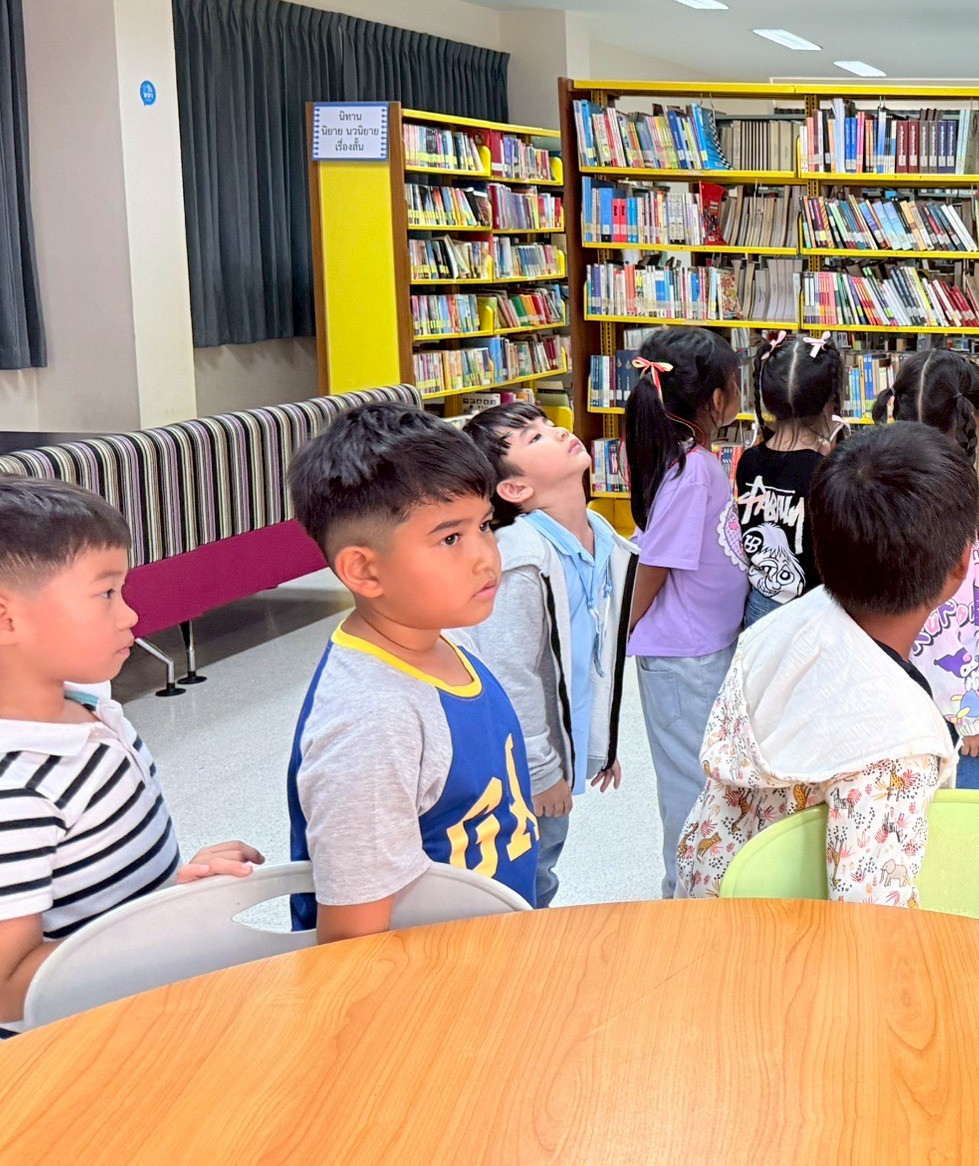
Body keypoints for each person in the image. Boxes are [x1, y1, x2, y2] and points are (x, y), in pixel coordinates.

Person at [0, 474, 261, 1052]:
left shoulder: (89, 712)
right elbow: (4, 991)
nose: (129, 615)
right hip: (56, 1066)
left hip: (128, 1028)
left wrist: (175, 892)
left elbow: (96, 906)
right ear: (3, 621)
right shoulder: (5, 799)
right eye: (106, 594)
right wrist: (165, 925)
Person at [673, 423, 979, 905]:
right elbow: (871, 914)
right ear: (961, 563)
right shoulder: (899, 744)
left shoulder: (773, 632)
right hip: (792, 944)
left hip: (711, 908)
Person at [284, 404, 538, 938]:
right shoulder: (372, 719)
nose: (486, 557)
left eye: (484, 525)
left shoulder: (443, 636)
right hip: (429, 981)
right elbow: (352, 944)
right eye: (450, 538)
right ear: (364, 570)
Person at [452, 401, 636, 909]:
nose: (558, 433)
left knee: (544, 858)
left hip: (554, 748)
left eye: (550, 426)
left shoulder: (601, 537)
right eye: (534, 437)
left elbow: (588, 655)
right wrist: (541, 768)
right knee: (526, 869)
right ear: (514, 489)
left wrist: (596, 742)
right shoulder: (520, 558)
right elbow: (513, 673)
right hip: (520, 760)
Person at [624, 327, 748, 896]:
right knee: (691, 787)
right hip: (683, 659)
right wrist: (623, 627)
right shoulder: (693, 470)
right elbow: (656, 563)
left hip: (700, 649)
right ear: (718, 399)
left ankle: (700, 885)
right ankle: (685, 894)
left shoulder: (692, 462)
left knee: (705, 779)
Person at [875, 350, 979, 789]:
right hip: (951, 712)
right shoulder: (957, 517)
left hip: (889, 695)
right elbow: (949, 625)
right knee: (961, 818)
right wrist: (975, 718)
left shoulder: (880, 494)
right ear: (974, 423)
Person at [733, 333, 846, 626]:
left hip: (758, 605)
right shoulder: (824, 471)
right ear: (830, 402)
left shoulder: (748, 461)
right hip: (811, 609)